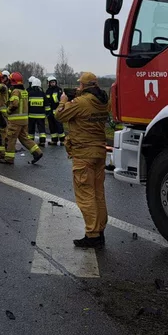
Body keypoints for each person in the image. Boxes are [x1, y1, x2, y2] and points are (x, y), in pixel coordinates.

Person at [55, 72, 109, 248]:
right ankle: (100, 230)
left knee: (85, 195)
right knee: (98, 194)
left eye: (80, 85)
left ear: (85, 86)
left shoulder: (80, 103)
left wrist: (63, 101)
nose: (78, 87)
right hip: (99, 153)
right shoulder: (102, 102)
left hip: (84, 154)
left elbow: (60, 116)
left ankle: (91, 235)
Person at [1, 72, 43, 165]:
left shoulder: (15, 91)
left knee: (10, 138)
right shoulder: (24, 91)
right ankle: (37, 152)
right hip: (24, 120)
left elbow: (14, 104)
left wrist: (7, 112)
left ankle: (9, 159)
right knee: (24, 138)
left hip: (15, 121)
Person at [45, 75, 65, 146]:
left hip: (57, 111)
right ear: (49, 83)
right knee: (52, 126)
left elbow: (58, 100)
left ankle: (63, 140)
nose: (53, 84)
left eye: (54, 82)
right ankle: (54, 140)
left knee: (59, 126)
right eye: (51, 82)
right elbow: (46, 101)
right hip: (50, 112)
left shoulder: (58, 90)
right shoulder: (47, 91)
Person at [27, 77, 48, 146]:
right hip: (41, 115)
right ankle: (42, 141)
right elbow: (46, 104)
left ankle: (30, 142)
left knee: (31, 129)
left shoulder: (29, 93)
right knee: (41, 129)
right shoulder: (42, 94)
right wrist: (47, 113)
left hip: (31, 115)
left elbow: (27, 104)